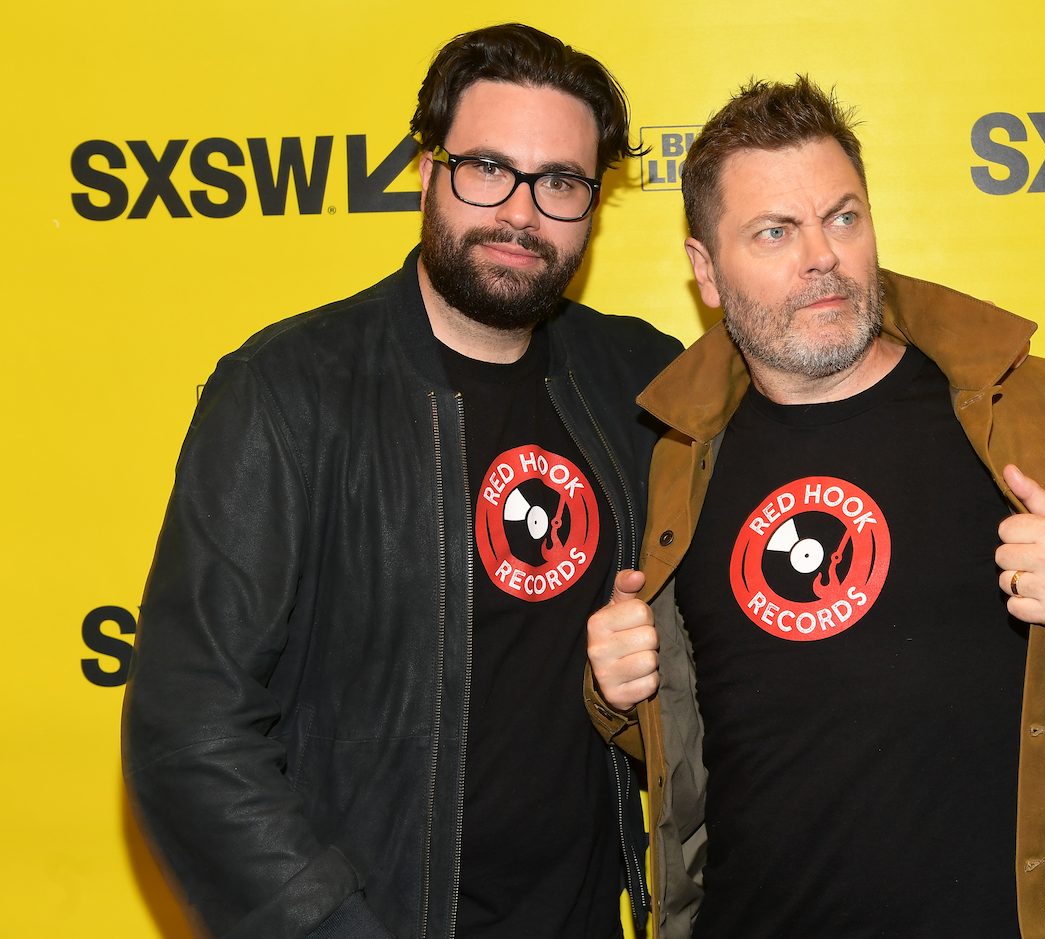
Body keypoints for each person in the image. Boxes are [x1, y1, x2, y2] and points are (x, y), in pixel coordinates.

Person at [585, 77, 1045, 939]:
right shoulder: (674, 453)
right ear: (707, 271)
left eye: (843, 216)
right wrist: (615, 688)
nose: (821, 255)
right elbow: (702, 739)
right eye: (775, 231)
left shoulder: (1029, 410)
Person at [123, 23, 680, 939]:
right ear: (427, 172)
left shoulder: (640, 381)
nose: (522, 212)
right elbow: (188, 733)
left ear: (593, 203)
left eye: (562, 183)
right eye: (487, 168)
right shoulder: (286, 393)